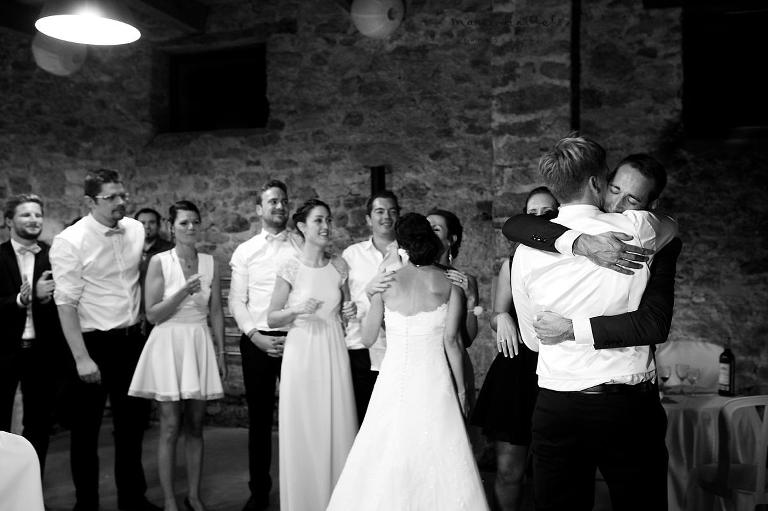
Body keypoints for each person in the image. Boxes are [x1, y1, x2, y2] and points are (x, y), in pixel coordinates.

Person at [510, 136, 677, 511]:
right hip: (627, 409)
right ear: (597, 182)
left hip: (557, 406)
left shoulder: (525, 250)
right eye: (612, 186)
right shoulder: (639, 229)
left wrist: (569, 328)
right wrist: (581, 243)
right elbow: (671, 226)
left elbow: (533, 341)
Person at [326, 213, 490, 511]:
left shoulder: (386, 282)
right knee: (439, 456)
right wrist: (463, 392)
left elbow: (366, 338)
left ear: (401, 244)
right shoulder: (450, 282)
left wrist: (371, 292)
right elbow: (453, 342)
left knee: (387, 452)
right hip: (436, 382)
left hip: (394, 382)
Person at [49, 169, 160, 511]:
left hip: (130, 342)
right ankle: (87, 504)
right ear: (89, 202)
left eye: (122, 195)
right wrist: (82, 359)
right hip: (92, 344)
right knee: (85, 434)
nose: (120, 202)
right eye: (110, 197)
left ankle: (133, 499)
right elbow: (65, 304)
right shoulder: (70, 241)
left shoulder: (137, 229)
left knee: (132, 428)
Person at [503, 154, 683, 349]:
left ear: (651, 206)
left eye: (631, 200)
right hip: (553, 365)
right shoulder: (568, 220)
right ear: (602, 184)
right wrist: (581, 242)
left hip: (622, 367)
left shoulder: (657, 242)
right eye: (615, 190)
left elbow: (654, 324)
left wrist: (573, 330)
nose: (616, 205)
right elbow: (515, 225)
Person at [128, 200, 226, 511]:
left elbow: (217, 312)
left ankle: (193, 495)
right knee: (170, 426)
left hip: (198, 340)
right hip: (168, 341)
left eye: (195, 222)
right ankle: (170, 499)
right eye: (184, 223)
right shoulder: (159, 261)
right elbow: (152, 314)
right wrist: (184, 291)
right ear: (172, 226)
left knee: (196, 425)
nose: (191, 227)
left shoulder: (210, 263)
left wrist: (221, 352)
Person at [471, 187, 559, 511]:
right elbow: (496, 315)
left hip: (561, 364)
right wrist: (502, 317)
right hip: (518, 366)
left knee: (556, 471)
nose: (539, 219)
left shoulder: (574, 261)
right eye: (532, 213)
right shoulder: (512, 262)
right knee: (509, 470)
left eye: (547, 212)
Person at [266, 199, 357, 511]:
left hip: (333, 349)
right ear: (302, 227)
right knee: (305, 427)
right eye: (318, 220)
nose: (326, 226)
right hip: (302, 351)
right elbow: (272, 317)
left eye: (328, 220)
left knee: (336, 423)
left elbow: (345, 312)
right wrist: (295, 309)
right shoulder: (290, 266)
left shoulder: (339, 266)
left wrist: (349, 310)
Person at [228, 179, 302, 511]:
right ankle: (259, 493)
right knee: (258, 421)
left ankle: (299, 489)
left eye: (284, 201)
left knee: (298, 419)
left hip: (296, 342)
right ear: (260, 209)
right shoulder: (245, 251)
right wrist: (255, 337)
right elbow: (236, 302)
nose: (279, 206)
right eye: (272, 201)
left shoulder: (301, 247)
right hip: (256, 342)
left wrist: (295, 335)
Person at [0, 194, 66, 477]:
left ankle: (30, 490)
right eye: (26, 214)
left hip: (42, 351)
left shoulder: (54, 255)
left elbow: (67, 303)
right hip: (3, 351)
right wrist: (20, 299)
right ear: (8, 221)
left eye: (38, 214)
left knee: (39, 424)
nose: (34, 220)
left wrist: (44, 299)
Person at [341, 190, 400, 425]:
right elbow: (343, 299)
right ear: (368, 218)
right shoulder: (351, 255)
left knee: (392, 419)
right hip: (359, 346)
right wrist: (347, 309)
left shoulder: (407, 255)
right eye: (379, 211)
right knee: (363, 417)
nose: (386, 216)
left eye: (392, 211)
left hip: (396, 347)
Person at [426, 208, 480, 412]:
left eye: (436, 229)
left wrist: (471, 299)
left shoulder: (466, 280)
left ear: (451, 239)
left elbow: (467, 339)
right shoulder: (414, 275)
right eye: (425, 228)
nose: (428, 234)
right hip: (424, 362)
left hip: (452, 363)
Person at [135, 208, 173, 335]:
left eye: (151, 222)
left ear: (158, 225)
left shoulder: (169, 250)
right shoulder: (128, 249)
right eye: (142, 223)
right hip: (133, 314)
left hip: (160, 314)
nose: (147, 226)